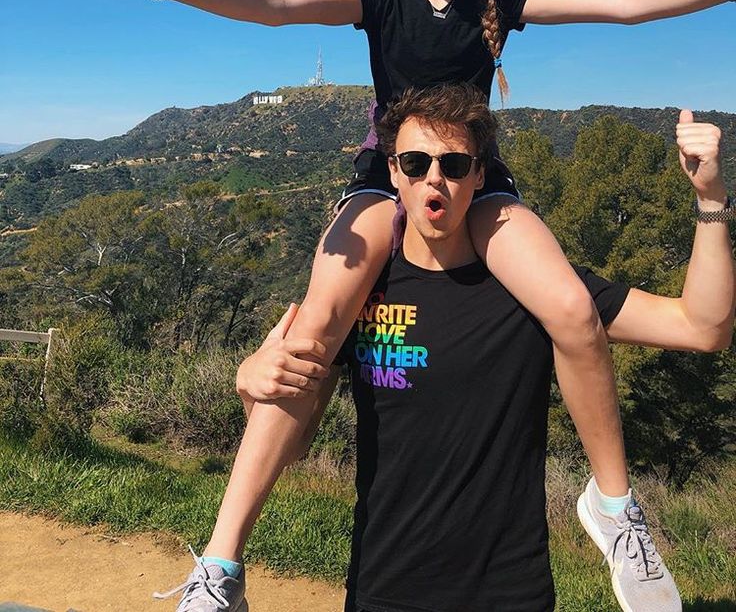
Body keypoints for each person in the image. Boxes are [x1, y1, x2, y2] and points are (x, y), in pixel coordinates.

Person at [112, 0, 736, 611]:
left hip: (476, 178)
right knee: (311, 335)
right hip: (389, 175)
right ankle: (222, 564)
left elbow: (619, 1)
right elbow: (276, 2)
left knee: (573, 310)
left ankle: (614, 509)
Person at [158, 83, 735, 611]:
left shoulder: (535, 290)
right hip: (383, 589)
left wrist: (711, 199)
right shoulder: (365, 292)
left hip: (510, 591)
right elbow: (298, 442)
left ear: (479, 177)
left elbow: (702, 328)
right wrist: (249, 387)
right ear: (394, 173)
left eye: (454, 165)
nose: (435, 178)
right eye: (415, 163)